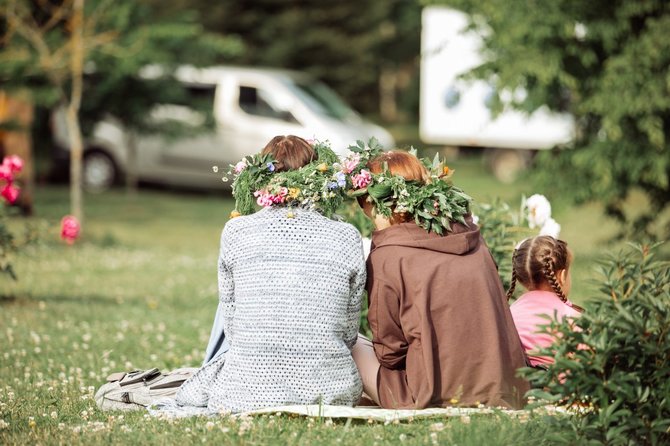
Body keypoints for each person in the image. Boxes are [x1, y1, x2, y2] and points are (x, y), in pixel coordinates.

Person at [170, 135, 366, 415]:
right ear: (317, 176)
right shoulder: (346, 236)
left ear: (260, 176)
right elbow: (349, 333)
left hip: (245, 391)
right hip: (329, 392)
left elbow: (233, 326)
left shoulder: (236, 232)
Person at [352, 150, 530, 410]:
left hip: (430, 393)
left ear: (376, 203)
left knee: (352, 344)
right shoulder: (472, 237)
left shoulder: (389, 255)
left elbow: (389, 353)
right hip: (503, 387)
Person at [507, 235, 583, 368]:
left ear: (519, 278)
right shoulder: (573, 321)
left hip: (517, 387)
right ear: (562, 275)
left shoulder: (508, 316)